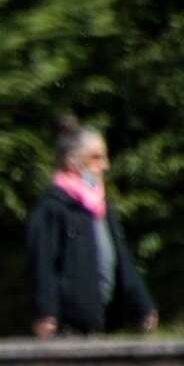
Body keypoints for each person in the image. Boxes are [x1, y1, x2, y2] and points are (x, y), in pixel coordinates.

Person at [28, 115, 159, 338]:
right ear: (73, 161)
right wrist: (46, 312)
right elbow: (42, 262)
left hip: (99, 324)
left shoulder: (98, 205)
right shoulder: (54, 207)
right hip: (67, 329)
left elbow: (121, 257)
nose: (104, 166)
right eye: (96, 158)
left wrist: (142, 305)